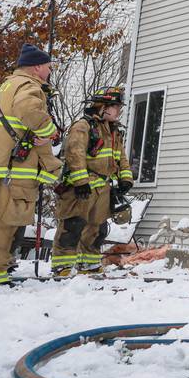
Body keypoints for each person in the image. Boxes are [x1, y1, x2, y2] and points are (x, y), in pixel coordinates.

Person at [0, 44, 63, 286]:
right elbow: (28, 109)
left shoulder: (1, 89)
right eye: (49, 67)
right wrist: (49, 131)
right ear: (38, 67)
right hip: (15, 170)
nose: (50, 72)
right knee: (4, 225)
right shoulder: (28, 86)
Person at [54, 86, 131, 276]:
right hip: (82, 187)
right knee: (73, 225)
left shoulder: (114, 132)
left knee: (97, 229)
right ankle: (62, 266)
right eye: (116, 107)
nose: (119, 111)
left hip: (103, 189)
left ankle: (88, 264)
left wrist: (126, 179)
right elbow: (74, 153)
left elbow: (121, 158)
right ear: (103, 107)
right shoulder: (83, 126)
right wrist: (80, 182)